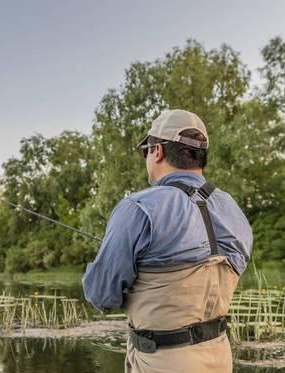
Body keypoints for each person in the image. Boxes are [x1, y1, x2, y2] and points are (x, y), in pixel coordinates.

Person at [82, 109, 253, 373]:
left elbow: (102, 295)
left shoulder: (138, 208)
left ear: (157, 150)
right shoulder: (233, 209)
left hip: (161, 362)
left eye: (145, 151)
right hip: (219, 358)